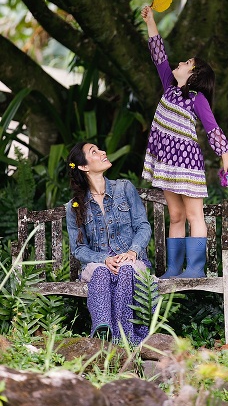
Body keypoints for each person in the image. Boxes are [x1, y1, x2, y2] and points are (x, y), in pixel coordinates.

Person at [140, 5, 228, 279]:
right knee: (176, 216)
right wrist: (151, 21)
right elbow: (158, 53)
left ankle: (194, 269)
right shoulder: (169, 86)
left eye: (186, 63)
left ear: (193, 75)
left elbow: (212, 128)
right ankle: (173, 269)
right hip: (167, 164)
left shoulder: (197, 99)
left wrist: (226, 157)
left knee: (194, 214)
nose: (179, 63)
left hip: (188, 164)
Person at [65, 141, 152, 344]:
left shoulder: (124, 188)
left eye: (99, 149)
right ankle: (103, 330)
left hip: (131, 261)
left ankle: (126, 335)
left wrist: (133, 251)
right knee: (102, 272)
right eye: (94, 152)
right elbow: (79, 249)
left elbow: (143, 226)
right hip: (99, 264)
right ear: (84, 167)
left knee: (126, 271)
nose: (103, 152)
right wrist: (104, 259)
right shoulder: (75, 206)